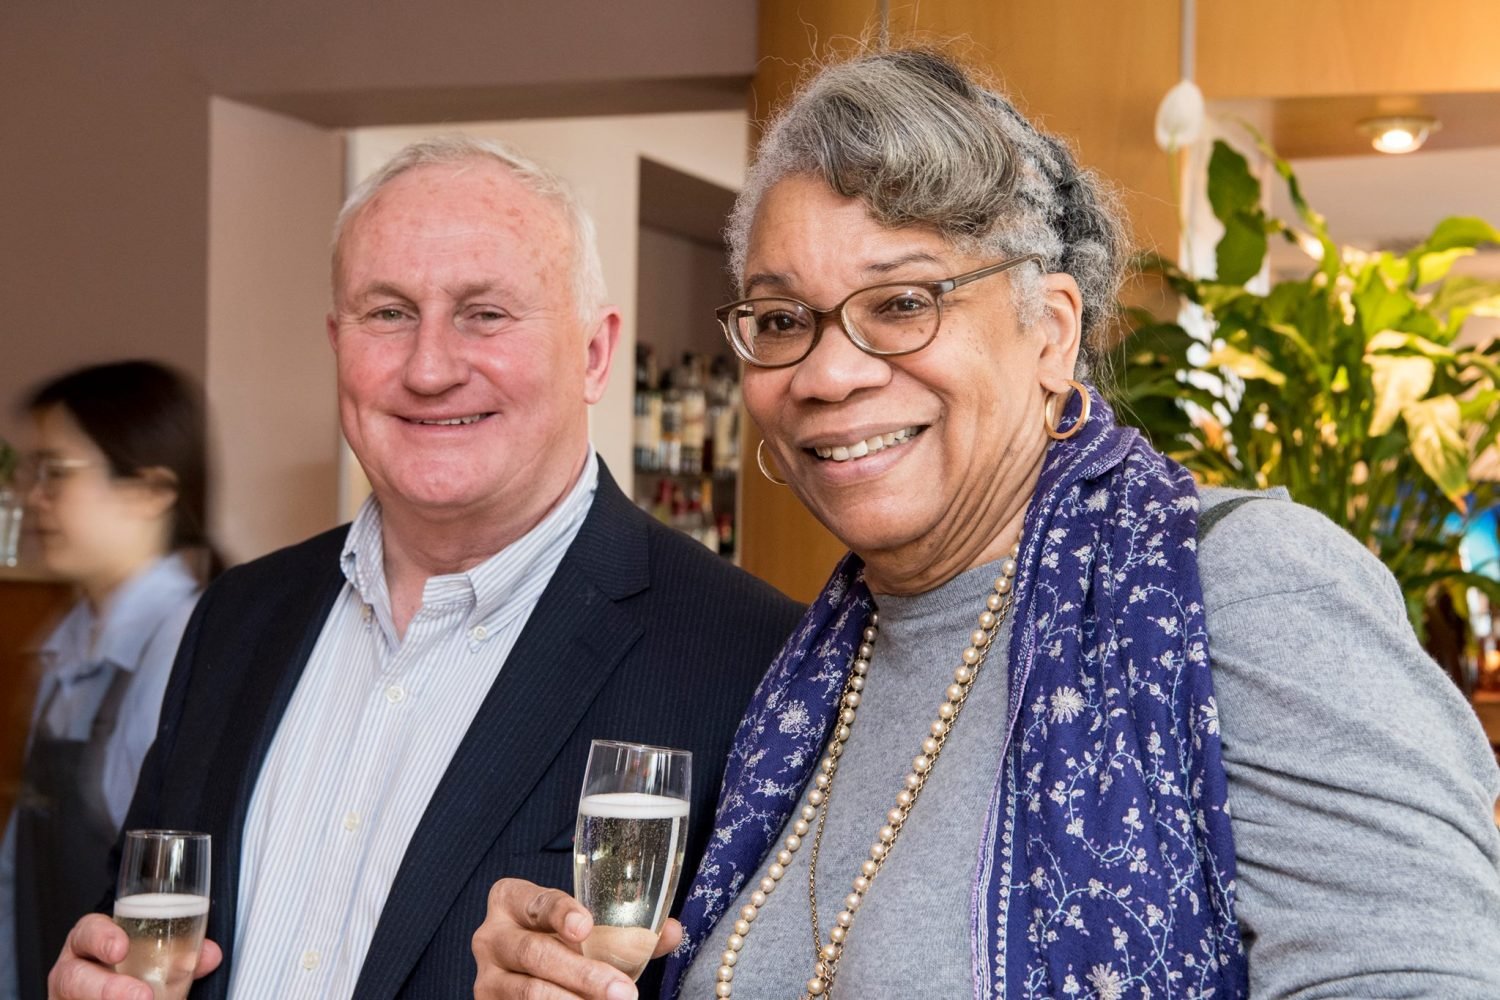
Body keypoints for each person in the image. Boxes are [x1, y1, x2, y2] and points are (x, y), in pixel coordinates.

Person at [472, 47, 1500, 999]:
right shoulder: (804, 673)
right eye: (782, 319)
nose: (827, 373)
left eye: (904, 301)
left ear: (1052, 330)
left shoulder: (1248, 588)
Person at [46, 136, 801, 1000]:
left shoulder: (750, 662)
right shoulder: (236, 619)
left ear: (595, 354)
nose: (430, 367)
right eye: (388, 313)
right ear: (338, 342)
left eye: (486, 313)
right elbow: (136, 922)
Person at [1, 360, 217, 1000]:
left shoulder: (185, 647)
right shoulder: (66, 644)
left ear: (151, 490)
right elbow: (16, 874)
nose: (33, 497)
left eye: (57, 475)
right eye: (31, 474)